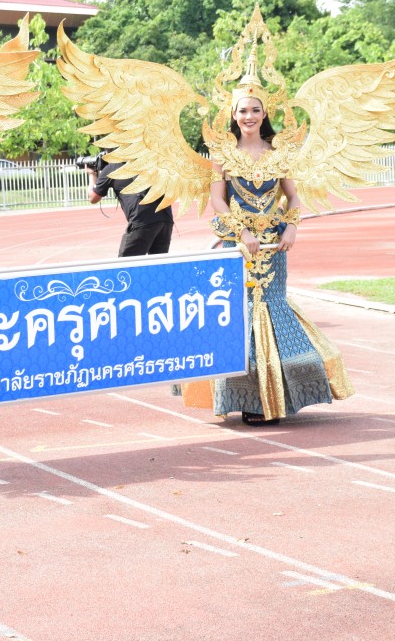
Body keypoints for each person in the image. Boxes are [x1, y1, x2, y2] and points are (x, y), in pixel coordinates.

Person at [206, 90, 353, 424]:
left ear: (264, 114)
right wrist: (242, 233)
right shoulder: (222, 154)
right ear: (233, 114)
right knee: (242, 312)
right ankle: (249, 400)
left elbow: (293, 197)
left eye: (255, 110)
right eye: (243, 110)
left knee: (273, 308)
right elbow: (217, 201)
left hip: (274, 247)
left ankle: (278, 396)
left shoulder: (279, 153)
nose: (249, 116)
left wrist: (292, 228)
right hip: (238, 248)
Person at [87, 159, 175, 256]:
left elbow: (93, 198)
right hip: (165, 217)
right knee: (158, 263)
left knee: (127, 263)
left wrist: (92, 174)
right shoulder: (148, 160)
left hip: (142, 219)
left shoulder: (112, 168)